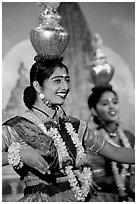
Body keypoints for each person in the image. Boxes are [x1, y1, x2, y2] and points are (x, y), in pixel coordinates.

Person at [2, 56, 135, 202]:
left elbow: (116, 152)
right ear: (38, 86)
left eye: (67, 80)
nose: (65, 87)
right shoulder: (17, 126)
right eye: (57, 80)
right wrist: (17, 155)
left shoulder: (73, 126)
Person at [88, 85, 135, 202]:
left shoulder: (128, 136)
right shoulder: (92, 138)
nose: (111, 107)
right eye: (105, 104)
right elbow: (95, 180)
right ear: (94, 110)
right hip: (104, 198)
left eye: (114, 102)